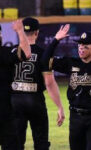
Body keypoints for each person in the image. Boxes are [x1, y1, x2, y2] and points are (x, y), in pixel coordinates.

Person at [10, 17, 65, 150]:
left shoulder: (11, 51)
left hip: (14, 100)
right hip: (35, 100)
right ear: (37, 33)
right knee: (41, 143)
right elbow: (50, 83)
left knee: (15, 143)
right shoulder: (43, 54)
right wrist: (60, 107)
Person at [0, 20, 31, 150]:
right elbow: (26, 53)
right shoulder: (4, 53)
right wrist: (20, 31)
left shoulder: (5, 53)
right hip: (4, 113)